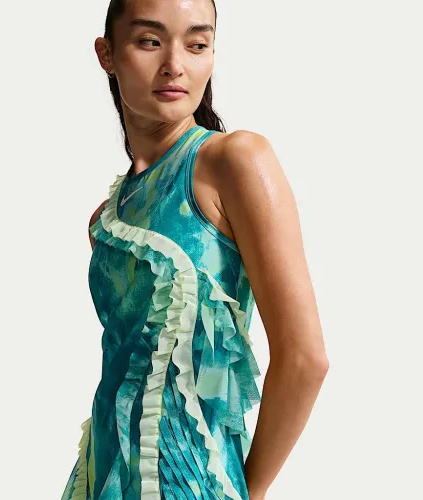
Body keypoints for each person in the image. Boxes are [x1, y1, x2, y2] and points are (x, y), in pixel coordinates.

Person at [61, 0, 329, 499]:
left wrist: (247, 490)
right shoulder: (106, 218)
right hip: (100, 479)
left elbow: (304, 358)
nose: (175, 64)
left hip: (194, 482)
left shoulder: (235, 161)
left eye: (197, 44)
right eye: (149, 41)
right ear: (107, 54)